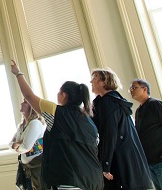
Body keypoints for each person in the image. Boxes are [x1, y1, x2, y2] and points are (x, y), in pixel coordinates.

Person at [11, 60, 103, 190]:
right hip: (93, 180)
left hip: (69, 180)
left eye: (59, 92)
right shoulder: (89, 122)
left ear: (64, 95)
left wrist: (18, 73)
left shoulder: (56, 112)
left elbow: (29, 96)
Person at [91, 68, 152, 190]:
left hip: (120, 161)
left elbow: (109, 134)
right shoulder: (113, 101)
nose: (91, 81)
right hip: (129, 161)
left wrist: (105, 164)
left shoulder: (108, 102)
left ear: (103, 82)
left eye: (95, 78)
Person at [130, 78, 162, 190]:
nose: (131, 90)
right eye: (130, 88)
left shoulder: (156, 104)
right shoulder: (139, 111)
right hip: (150, 160)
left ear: (144, 89)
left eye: (134, 87)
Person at [9, 99, 46, 190]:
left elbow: (26, 146)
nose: (21, 103)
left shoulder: (35, 124)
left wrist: (17, 145)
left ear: (32, 107)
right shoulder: (21, 126)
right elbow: (10, 145)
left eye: (25, 102)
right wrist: (17, 145)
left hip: (37, 168)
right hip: (26, 169)